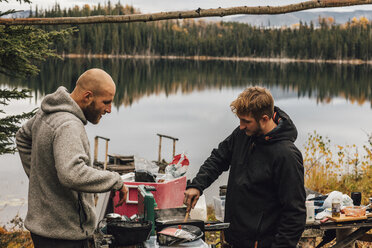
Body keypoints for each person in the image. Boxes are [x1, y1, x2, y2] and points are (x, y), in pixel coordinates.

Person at [16, 68, 128, 248]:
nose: (109, 109)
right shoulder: (69, 126)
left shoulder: (48, 112)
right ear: (88, 96)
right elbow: (72, 174)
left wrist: (42, 180)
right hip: (64, 236)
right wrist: (116, 180)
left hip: (43, 231)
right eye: (106, 102)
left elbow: (22, 137)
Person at [184, 86, 306, 248]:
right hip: (234, 238)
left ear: (264, 118)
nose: (241, 126)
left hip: (260, 243)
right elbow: (219, 158)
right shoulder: (244, 134)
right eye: (240, 120)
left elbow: (295, 214)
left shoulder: (286, 155)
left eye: (246, 121)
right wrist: (197, 185)